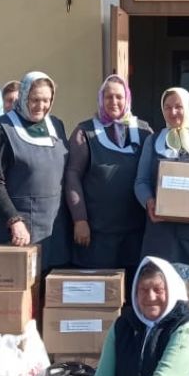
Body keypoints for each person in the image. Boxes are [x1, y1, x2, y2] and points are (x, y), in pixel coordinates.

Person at [65, 75, 153, 285]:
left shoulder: (143, 131)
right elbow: (72, 175)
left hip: (135, 234)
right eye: (109, 97)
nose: (114, 102)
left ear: (127, 99)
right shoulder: (84, 132)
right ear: (101, 99)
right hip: (97, 235)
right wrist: (80, 219)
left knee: (133, 294)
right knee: (99, 295)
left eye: (119, 97)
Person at [0, 72, 71, 271]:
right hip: (20, 230)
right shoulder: (1, 128)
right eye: (35, 100)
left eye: (47, 100)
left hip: (55, 227)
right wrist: (13, 220)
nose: (41, 106)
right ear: (23, 97)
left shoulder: (56, 125)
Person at [134, 88, 189, 266]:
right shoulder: (153, 141)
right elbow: (141, 181)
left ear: (188, 107)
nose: (173, 112)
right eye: (167, 107)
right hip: (159, 230)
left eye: (178, 107)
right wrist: (149, 202)